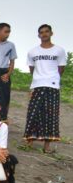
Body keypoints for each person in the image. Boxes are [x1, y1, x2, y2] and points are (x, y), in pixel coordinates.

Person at [24, 24, 67, 153]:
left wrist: (52, 77)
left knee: (51, 115)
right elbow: (32, 69)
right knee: (33, 113)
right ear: (38, 35)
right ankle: (30, 141)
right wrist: (39, 78)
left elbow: (61, 68)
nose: (44, 34)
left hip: (52, 85)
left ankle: (47, 146)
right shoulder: (32, 52)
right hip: (37, 85)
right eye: (41, 32)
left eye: (46, 31)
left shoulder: (59, 50)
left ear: (51, 33)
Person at [0, 23, 17, 122]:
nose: (8, 34)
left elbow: (12, 61)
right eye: (6, 31)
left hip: (4, 73)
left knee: (5, 97)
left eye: (9, 32)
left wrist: (8, 74)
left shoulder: (11, 45)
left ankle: (3, 119)